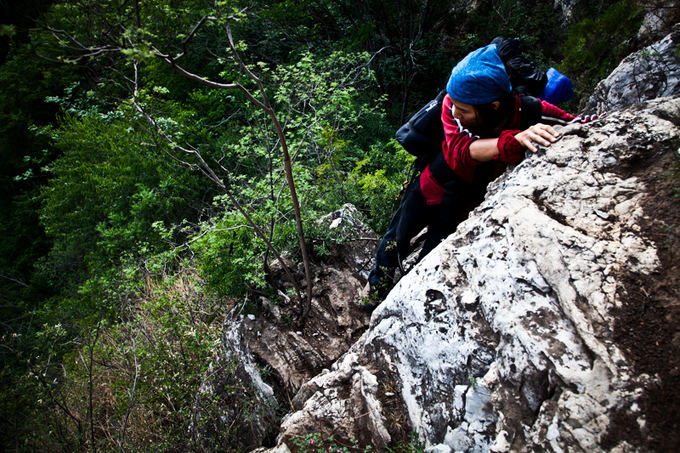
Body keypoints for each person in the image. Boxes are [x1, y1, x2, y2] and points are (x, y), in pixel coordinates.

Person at [363, 43, 595, 308]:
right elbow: (459, 151)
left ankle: (402, 301)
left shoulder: (528, 111)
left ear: (493, 106)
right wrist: (512, 141)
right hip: (431, 186)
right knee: (395, 240)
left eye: (464, 110)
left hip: (464, 204)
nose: (453, 112)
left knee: (431, 258)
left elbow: (580, 125)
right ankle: (374, 292)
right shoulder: (451, 104)